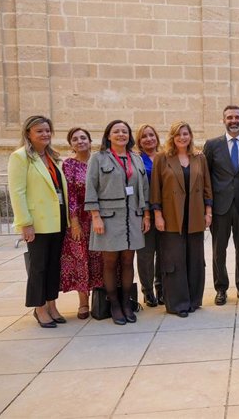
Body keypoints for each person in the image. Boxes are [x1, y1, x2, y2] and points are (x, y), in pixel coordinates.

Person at [85, 120, 150, 325]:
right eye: (116, 131)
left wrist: (146, 215)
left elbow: (145, 189)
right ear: (108, 135)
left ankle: (125, 302)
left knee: (128, 261)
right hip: (108, 218)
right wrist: (95, 216)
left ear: (129, 136)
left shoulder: (136, 158)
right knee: (110, 262)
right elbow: (91, 187)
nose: (121, 134)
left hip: (133, 217)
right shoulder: (98, 158)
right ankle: (113, 304)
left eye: (124, 131)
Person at [8, 115, 69, 328]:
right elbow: (17, 192)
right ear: (28, 134)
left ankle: (52, 304)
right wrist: (25, 222)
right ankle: (39, 308)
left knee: (54, 265)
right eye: (39, 131)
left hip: (58, 219)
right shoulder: (21, 157)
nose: (44, 134)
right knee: (39, 266)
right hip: (38, 221)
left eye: (47, 130)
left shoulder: (52, 157)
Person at [151, 122, 213, 317]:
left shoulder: (199, 157)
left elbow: (207, 187)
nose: (182, 138)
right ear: (172, 137)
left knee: (195, 259)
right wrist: (157, 215)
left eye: (185, 134)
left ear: (190, 136)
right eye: (178, 135)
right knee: (174, 261)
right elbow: (155, 189)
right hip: (171, 217)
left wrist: (208, 212)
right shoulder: (162, 158)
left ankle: (194, 300)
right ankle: (178, 304)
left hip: (195, 216)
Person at [204, 105, 239, 305]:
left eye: (237, 117)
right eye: (229, 117)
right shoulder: (212, 145)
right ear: (223, 120)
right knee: (219, 250)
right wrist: (207, 206)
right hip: (220, 207)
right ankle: (221, 288)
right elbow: (207, 178)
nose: (233, 120)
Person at [60, 127, 103, 320]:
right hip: (80, 220)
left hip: (101, 218)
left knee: (101, 259)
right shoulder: (69, 165)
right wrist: (74, 222)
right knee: (81, 259)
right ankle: (83, 302)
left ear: (90, 140)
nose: (80, 141)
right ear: (71, 144)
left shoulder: (100, 160)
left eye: (83, 137)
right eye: (75, 139)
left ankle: (101, 300)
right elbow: (70, 195)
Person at [135, 124, 163, 307]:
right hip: (144, 213)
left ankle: (161, 287)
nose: (148, 139)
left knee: (164, 253)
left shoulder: (166, 158)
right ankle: (147, 291)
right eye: (144, 136)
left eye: (151, 135)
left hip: (165, 212)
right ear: (139, 141)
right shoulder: (136, 160)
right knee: (145, 254)